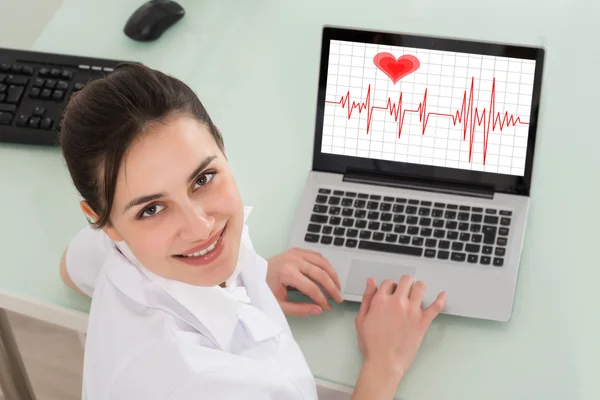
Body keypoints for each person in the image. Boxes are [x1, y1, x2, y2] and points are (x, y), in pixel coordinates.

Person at [57, 62, 447, 400]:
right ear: (103, 221)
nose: (201, 226)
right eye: (153, 209)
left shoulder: (119, 237)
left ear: (220, 144)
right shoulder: (199, 383)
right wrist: (383, 365)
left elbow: (68, 269)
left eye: (203, 178)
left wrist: (250, 274)